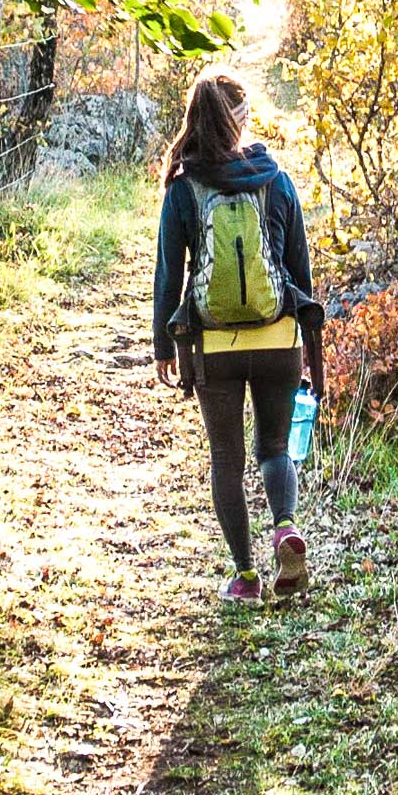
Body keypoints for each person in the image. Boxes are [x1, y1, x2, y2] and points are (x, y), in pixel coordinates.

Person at [151, 69, 324, 603]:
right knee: (274, 448)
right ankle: (286, 527)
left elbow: (168, 275)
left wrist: (163, 344)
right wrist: (312, 353)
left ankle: (246, 578)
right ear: (244, 119)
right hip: (279, 340)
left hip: (215, 348)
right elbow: (300, 270)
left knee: (225, 458)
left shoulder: (183, 188)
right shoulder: (277, 180)